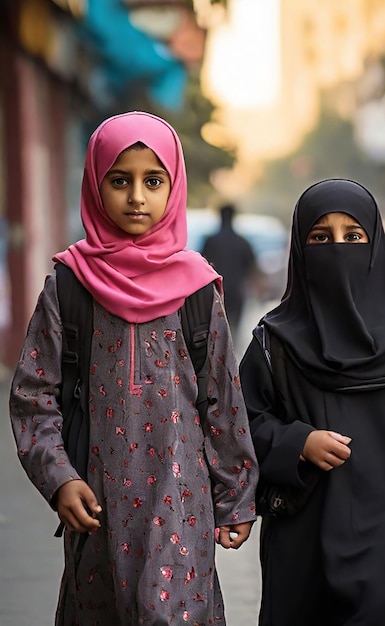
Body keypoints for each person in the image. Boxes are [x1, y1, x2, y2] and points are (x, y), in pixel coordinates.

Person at [9, 111, 258, 626]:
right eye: (119, 181)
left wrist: (236, 496)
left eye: (153, 181)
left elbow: (223, 400)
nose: (137, 197)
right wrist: (59, 478)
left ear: (175, 186)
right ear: (96, 185)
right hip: (97, 510)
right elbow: (34, 396)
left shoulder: (196, 289)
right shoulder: (70, 284)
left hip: (181, 507)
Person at [239, 179, 385, 625]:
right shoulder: (273, 341)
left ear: (375, 246)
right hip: (300, 539)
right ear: (300, 250)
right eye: (320, 238)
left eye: (354, 237)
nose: (337, 249)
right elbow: (238, 424)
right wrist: (297, 442)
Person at [201, 202, 257, 339]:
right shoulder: (242, 242)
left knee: (214, 330)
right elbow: (252, 267)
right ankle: (231, 356)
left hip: (214, 292)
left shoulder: (211, 241)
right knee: (233, 330)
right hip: (236, 292)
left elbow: (201, 266)